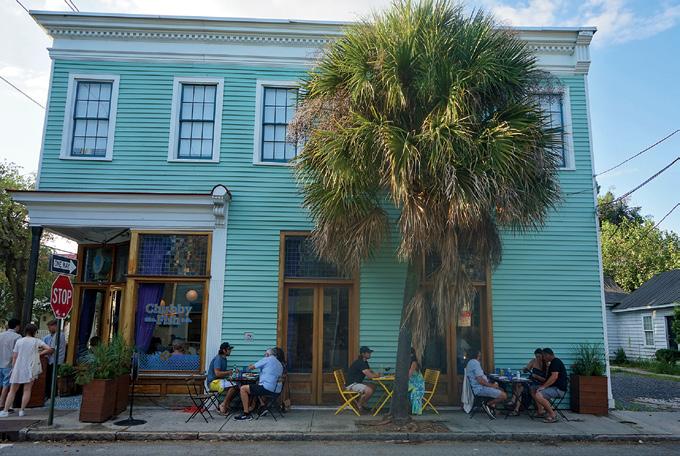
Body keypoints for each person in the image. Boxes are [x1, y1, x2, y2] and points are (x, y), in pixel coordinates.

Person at [0, 324, 53, 417]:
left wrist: (13, 368)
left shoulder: (19, 341)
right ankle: (22, 410)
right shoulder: (37, 341)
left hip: (18, 367)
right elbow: (49, 349)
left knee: (12, 390)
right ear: (35, 332)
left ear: (25, 331)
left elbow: (15, 356)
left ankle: (5, 410)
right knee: (27, 390)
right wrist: (38, 354)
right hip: (30, 368)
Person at [234, 347, 285, 421]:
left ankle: (246, 414)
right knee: (257, 385)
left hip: (267, 389)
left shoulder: (267, 359)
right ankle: (262, 406)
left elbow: (251, 367)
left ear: (267, 354)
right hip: (277, 391)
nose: (264, 355)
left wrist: (248, 367)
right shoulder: (279, 364)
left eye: (265, 354)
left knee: (243, 388)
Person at [464, 349, 507, 419]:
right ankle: (488, 404)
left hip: (480, 387)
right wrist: (492, 386)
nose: (480, 354)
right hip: (480, 389)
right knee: (504, 395)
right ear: (477, 354)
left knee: (501, 389)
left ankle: (493, 409)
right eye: (479, 353)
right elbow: (480, 381)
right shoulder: (475, 363)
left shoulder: (470, 362)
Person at [531, 347, 568, 423]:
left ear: (547, 355)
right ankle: (541, 411)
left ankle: (553, 415)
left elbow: (554, 377)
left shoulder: (555, 362)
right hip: (554, 387)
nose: (543, 359)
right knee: (533, 389)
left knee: (538, 395)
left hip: (558, 389)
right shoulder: (552, 363)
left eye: (543, 356)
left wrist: (543, 387)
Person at [507, 348, 546, 415]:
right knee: (518, 384)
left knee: (520, 387)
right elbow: (526, 370)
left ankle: (515, 407)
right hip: (531, 380)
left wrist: (537, 376)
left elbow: (546, 379)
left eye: (539, 356)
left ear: (542, 356)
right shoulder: (533, 361)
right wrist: (525, 369)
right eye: (536, 356)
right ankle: (515, 406)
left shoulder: (546, 364)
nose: (537, 358)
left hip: (539, 383)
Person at [345, 346, 380, 413]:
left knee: (373, 386)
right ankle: (359, 406)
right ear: (363, 354)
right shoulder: (360, 363)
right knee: (369, 390)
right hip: (352, 384)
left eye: (370, 352)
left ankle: (361, 404)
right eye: (368, 353)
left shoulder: (365, 362)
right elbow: (370, 376)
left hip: (357, 383)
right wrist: (377, 375)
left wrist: (376, 374)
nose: (370, 354)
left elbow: (370, 372)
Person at [206, 342, 238, 415]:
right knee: (234, 386)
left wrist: (231, 372)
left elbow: (222, 373)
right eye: (229, 349)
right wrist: (229, 372)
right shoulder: (218, 359)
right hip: (212, 383)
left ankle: (225, 404)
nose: (230, 351)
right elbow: (217, 373)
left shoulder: (224, 359)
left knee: (237, 387)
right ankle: (223, 405)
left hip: (218, 381)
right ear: (224, 350)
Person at [0, 319, 21, 413]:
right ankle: (2, 404)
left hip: (0, 362)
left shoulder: (1, 335)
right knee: (6, 385)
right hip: (9, 364)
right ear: (17, 326)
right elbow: (18, 352)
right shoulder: (18, 337)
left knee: (2, 384)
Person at [43, 319, 66, 399]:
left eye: (50, 327)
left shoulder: (58, 335)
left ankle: (51, 395)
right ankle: (52, 394)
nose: (49, 329)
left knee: (51, 378)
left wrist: (39, 354)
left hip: (54, 360)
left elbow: (51, 350)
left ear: (55, 326)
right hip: (55, 360)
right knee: (52, 378)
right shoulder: (59, 335)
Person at [408, 348, 425, 415]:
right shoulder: (407, 362)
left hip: (418, 384)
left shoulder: (414, 363)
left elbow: (409, 374)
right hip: (411, 382)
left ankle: (415, 411)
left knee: (404, 388)